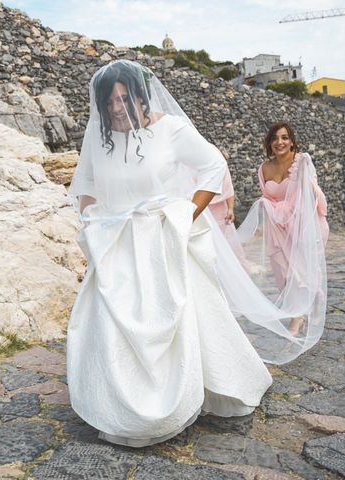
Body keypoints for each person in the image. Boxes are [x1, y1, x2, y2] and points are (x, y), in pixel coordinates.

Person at [67, 60, 273, 447]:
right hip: (117, 246)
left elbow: (213, 166)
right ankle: (122, 403)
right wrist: (95, 223)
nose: (116, 108)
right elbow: (87, 185)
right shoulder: (98, 137)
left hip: (163, 240)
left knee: (178, 316)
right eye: (108, 101)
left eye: (124, 98)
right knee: (116, 325)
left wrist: (184, 215)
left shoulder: (170, 129)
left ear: (141, 97)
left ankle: (189, 391)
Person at [247, 122, 329, 335]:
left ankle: (311, 305)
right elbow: (268, 196)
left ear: (292, 141)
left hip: (304, 224)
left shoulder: (301, 162)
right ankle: (297, 312)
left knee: (304, 270)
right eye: (275, 138)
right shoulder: (264, 168)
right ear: (269, 143)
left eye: (284, 138)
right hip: (278, 227)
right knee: (283, 272)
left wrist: (306, 182)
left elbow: (313, 194)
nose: (279, 142)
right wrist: (266, 206)